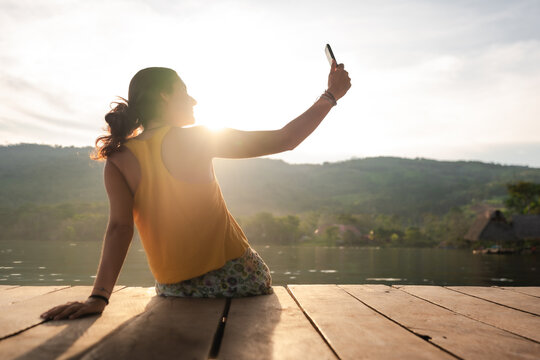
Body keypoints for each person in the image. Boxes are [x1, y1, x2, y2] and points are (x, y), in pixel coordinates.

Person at [40, 59, 351, 321]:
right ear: (164, 96)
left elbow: (120, 229)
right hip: (239, 280)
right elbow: (286, 139)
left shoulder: (118, 159)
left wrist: (98, 298)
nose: (193, 100)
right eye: (184, 92)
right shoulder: (198, 138)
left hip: (175, 289)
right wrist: (330, 96)